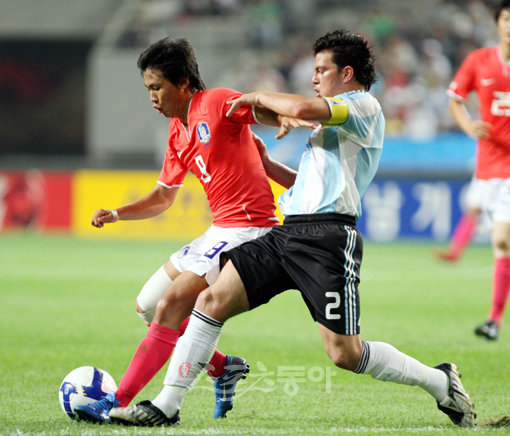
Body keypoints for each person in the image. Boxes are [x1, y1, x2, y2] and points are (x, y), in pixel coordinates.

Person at [108, 30, 476, 428]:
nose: (314, 77)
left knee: (344, 353)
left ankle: (440, 381)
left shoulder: (363, 106)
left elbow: (301, 108)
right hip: (288, 232)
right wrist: (269, 167)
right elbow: (308, 188)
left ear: (347, 73)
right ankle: (166, 406)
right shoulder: (333, 121)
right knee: (209, 302)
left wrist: (254, 97)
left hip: (328, 239)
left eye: (322, 70)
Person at [74, 37, 311, 424]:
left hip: (249, 229)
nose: (152, 97)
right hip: (220, 229)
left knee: (170, 305)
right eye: (148, 89)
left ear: (183, 82)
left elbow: (256, 109)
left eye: (157, 87)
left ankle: (116, 401)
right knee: (147, 305)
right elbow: (163, 197)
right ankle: (221, 366)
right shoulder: (176, 130)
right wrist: (118, 213)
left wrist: (282, 116)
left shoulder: (214, 102)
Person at [446, 0, 510, 340]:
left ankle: (493, 318)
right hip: (489, 166)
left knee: (501, 239)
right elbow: (455, 100)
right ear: (497, 23)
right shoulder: (479, 60)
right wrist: (468, 125)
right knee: (499, 241)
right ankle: (494, 319)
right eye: (507, 19)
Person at [434, 177, 482, 262]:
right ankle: (454, 252)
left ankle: (454, 252)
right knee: (473, 210)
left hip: (500, 175)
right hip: (484, 175)